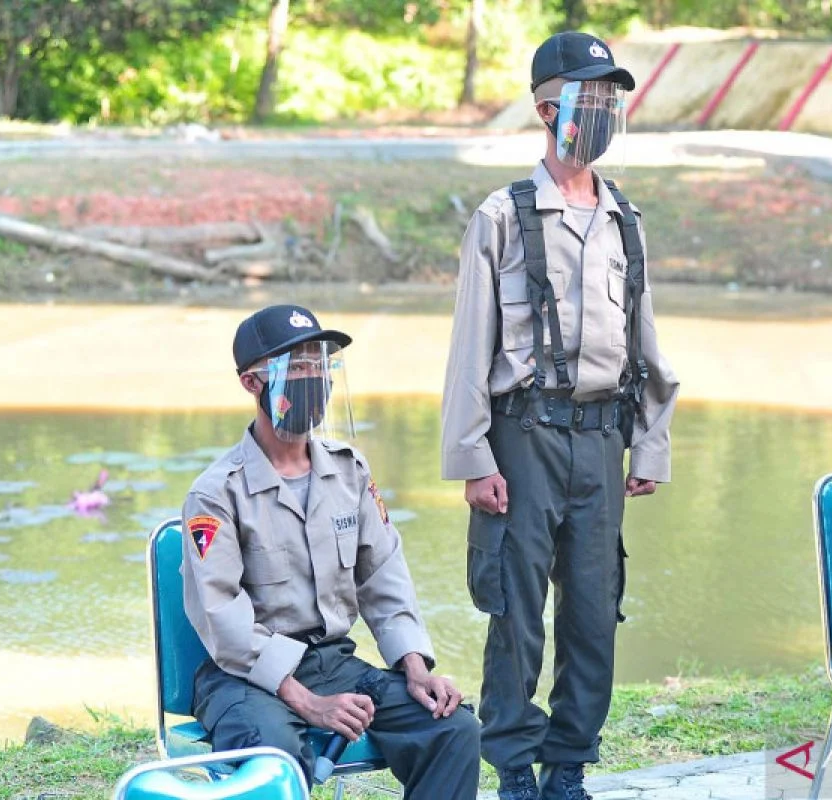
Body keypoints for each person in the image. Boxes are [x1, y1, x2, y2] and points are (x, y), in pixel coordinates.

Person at [440, 31, 679, 800]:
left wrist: (650, 444)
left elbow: (646, 343)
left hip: (601, 440)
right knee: (515, 611)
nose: (604, 110)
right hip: (523, 438)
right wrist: (474, 459)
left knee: (594, 609)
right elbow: (469, 350)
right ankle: (513, 763)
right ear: (548, 107)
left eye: (613, 97)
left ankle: (568, 762)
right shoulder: (503, 217)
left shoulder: (624, 219)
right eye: (590, 96)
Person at [182, 304, 479, 798]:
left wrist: (414, 665)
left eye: (320, 364)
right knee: (273, 758)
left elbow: (382, 575)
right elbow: (222, 619)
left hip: (334, 662)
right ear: (252, 384)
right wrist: (305, 701)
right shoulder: (217, 493)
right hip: (244, 678)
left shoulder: (349, 471)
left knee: (451, 729)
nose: (313, 378)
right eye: (296, 367)